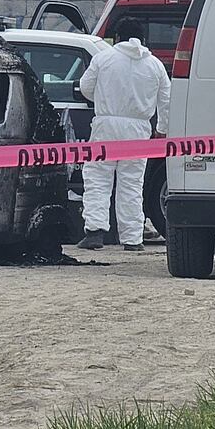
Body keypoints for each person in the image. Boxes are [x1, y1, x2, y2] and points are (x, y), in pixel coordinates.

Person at [77, 17, 171, 252]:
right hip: (139, 129)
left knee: (98, 178)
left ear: (117, 37)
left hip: (106, 125)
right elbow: (167, 101)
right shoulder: (155, 65)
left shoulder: (103, 58)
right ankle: (132, 239)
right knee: (132, 183)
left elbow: (86, 88)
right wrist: (162, 130)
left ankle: (95, 233)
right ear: (143, 38)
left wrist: (104, 99)